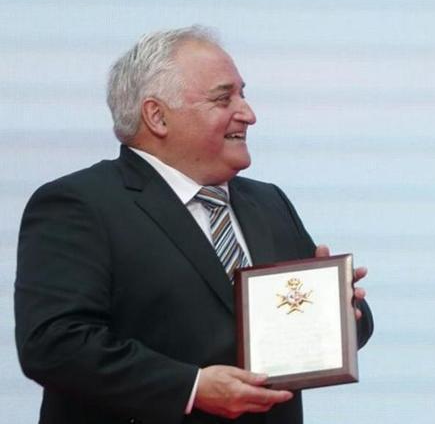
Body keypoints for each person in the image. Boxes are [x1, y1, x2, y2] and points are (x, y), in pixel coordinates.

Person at [15, 26, 374, 424]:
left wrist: (341, 312)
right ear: (157, 116)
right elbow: (55, 345)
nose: (248, 114)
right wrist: (190, 387)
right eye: (224, 98)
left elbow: (311, 337)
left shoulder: (267, 203)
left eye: (243, 94)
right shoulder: (80, 205)